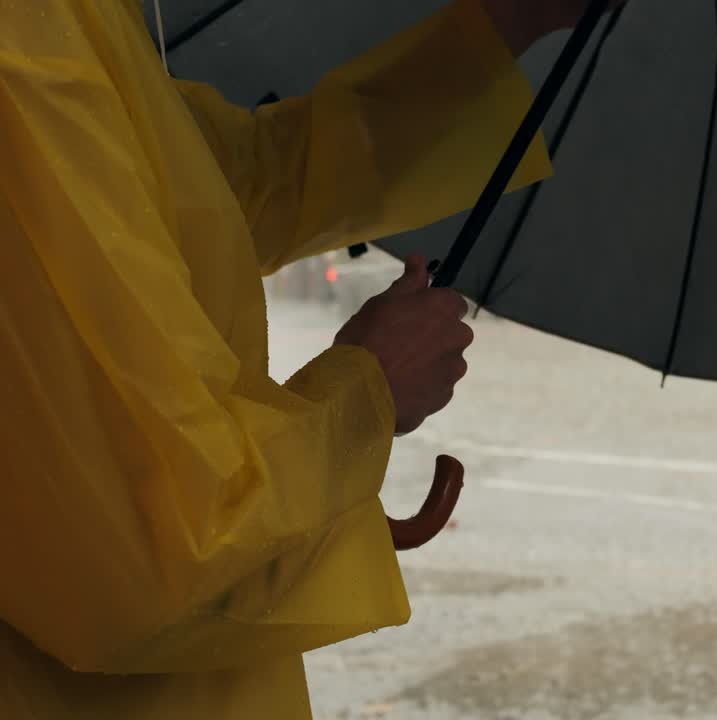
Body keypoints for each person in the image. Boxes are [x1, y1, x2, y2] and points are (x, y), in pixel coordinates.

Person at [0, 1, 615, 717]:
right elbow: (156, 548)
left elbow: (245, 181)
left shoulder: (79, 25)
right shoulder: (28, 38)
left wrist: (510, 23)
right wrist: (365, 391)